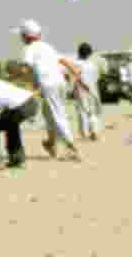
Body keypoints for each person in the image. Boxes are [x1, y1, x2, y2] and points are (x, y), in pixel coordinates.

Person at [13, 19, 83, 162]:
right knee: (49, 114)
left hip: (48, 85)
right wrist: (74, 71)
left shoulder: (29, 48)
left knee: (57, 115)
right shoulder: (47, 46)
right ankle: (51, 144)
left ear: (26, 36)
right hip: (59, 83)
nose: (21, 38)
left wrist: (15, 77)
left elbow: (26, 67)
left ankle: (72, 148)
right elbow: (62, 60)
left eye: (21, 35)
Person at [73, 43, 101, 141]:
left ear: (79, 52)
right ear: (90, 53)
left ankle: (84, 133)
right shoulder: (92, 65)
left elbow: (76, 76)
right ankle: (94, 132)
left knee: (82, 111)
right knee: (92, 111)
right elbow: (96, 78)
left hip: (81, 89)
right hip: (92, 89)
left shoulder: (76, 63)